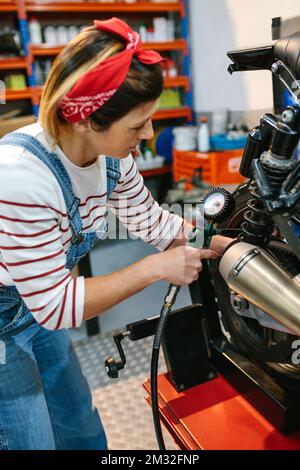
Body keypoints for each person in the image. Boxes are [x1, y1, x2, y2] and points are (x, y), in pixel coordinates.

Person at [0, 18, 230, 450]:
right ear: (86, 120)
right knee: (30, 440)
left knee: (80, 428)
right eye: (137, 124)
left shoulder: (111, 158)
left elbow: (152, 220)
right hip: (7, 317)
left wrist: (215, 243)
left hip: (38, 303)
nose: (148, 136)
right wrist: (153, 268)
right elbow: (57, 306)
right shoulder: (20, 178)